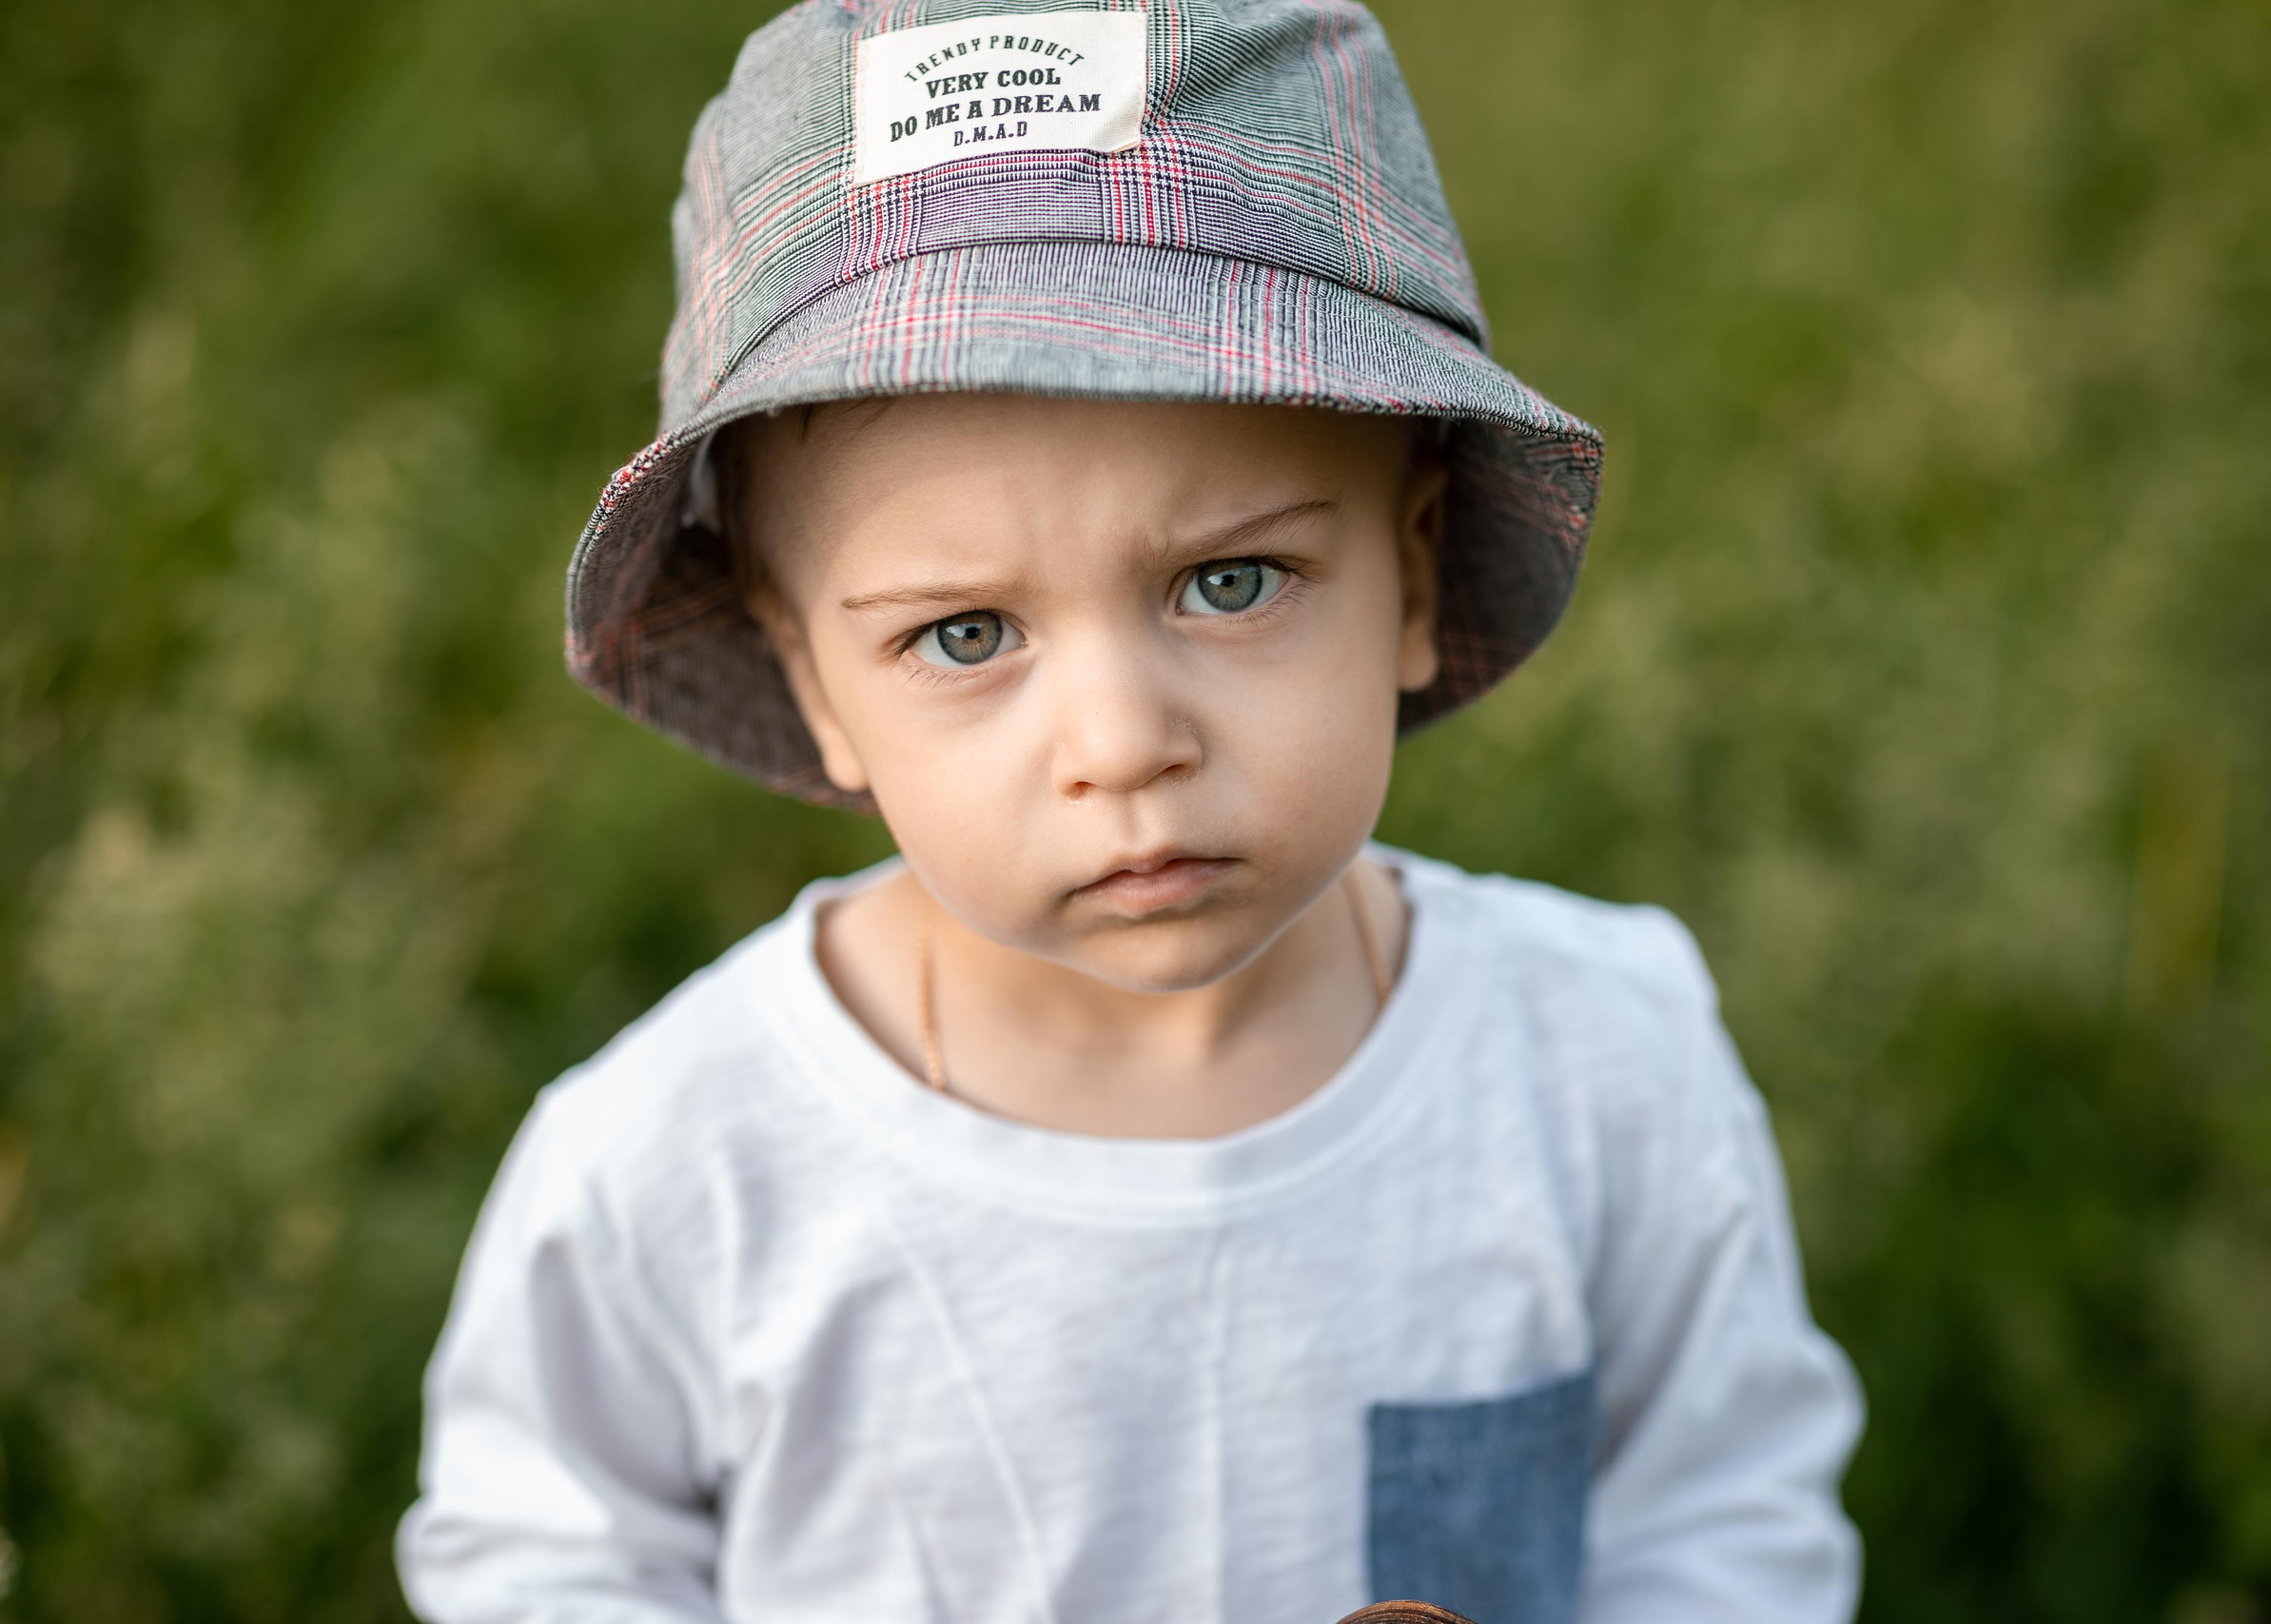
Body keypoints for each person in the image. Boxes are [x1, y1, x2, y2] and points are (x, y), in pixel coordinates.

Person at [396, 2, 1864, 1621]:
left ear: (1414, 573)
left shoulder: (1598, 1066)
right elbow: (549, 1555)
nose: (1121, 743)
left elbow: (1721, 1516)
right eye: (967, 635)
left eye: (1231, 583)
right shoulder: (682, 1163)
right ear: (812, 680)